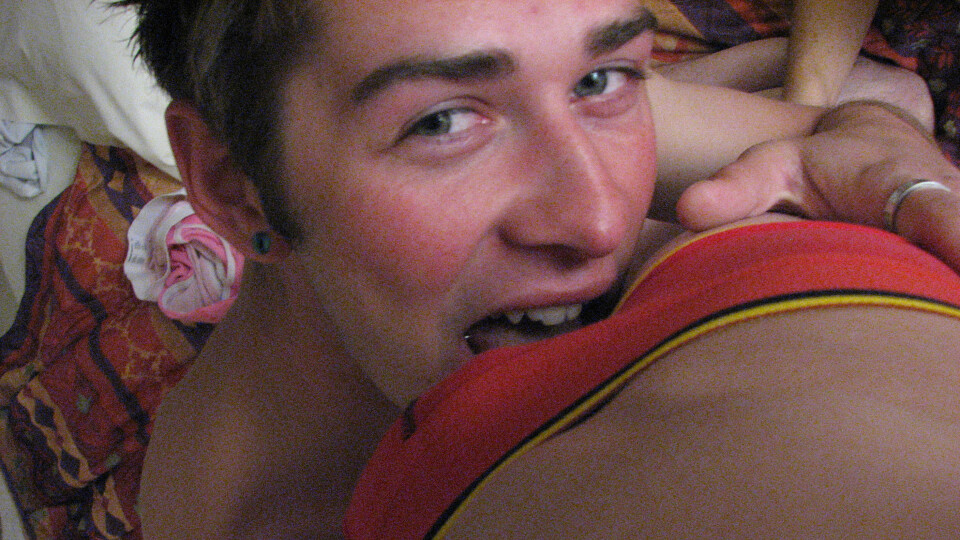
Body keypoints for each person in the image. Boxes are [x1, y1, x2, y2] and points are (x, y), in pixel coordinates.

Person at [107, 0, 960, 538]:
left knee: (894, 99)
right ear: (234, 187)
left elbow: (839, 131)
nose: (601, 221)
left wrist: (884, 148)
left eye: (603, 77)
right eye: (441, 124)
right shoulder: (229, 507)